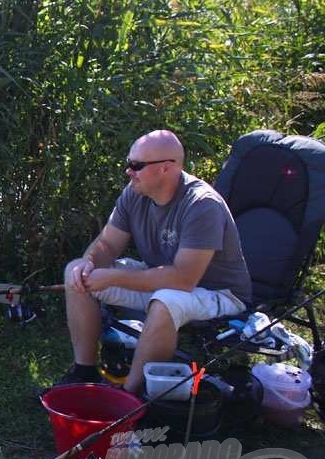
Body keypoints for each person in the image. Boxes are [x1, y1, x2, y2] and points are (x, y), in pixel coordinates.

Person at [59, 130, 251, 394]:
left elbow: (183, 280)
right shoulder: (134, 193)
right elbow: (108, 244)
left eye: (136, 165)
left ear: (165, 168)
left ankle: (129, 398)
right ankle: (84, 372)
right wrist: (89, 263)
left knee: (165, 302)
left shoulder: (202, 205)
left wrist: (113, 277)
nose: (129, 171)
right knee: (76, 272)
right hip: (162, 281)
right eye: (128, 163)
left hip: (219, 294)